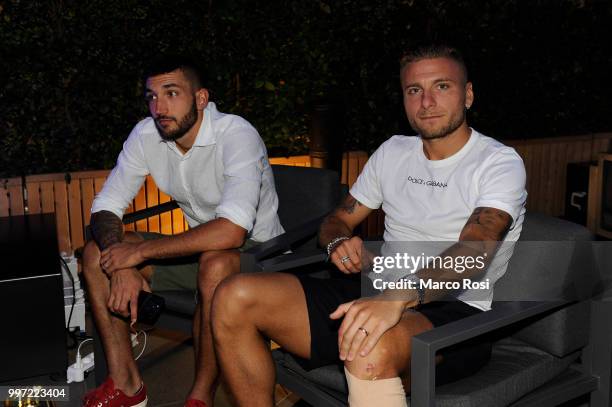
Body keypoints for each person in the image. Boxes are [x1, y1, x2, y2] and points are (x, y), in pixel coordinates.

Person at [210, 44, 527, 406]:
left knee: (366, 346)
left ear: (468, 95)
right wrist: (337, 244)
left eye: (442, 87)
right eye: (414, 91)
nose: (427, 102)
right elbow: (337, 220)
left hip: (457, 312)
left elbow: (477, 247)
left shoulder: (498, 163)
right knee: (232, 296)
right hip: (376, 290)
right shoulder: (393, 152)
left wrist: (398, 297)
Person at [81, 57, 283, 407]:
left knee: (215, 263)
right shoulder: (147, 135)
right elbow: (104, 207)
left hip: (260, 256)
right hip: (200, 251)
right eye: (151, 96)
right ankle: (128, 387)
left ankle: (199, 397)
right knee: (96, 254)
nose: (158, 107)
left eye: (171, 93)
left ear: (201, 98)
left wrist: (139, 253)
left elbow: (232, 232)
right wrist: (122, 263)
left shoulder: (236, 135)